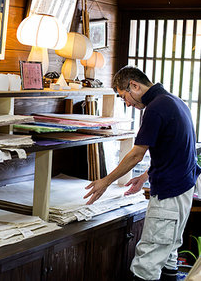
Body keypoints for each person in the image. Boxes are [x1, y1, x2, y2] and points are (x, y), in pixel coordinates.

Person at [84, 66, 200, 281]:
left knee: (146, 262)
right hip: (183, 188)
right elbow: (175, 149)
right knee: (168, 254)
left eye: (124, 96)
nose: (127, 103)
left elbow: (136, 154)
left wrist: (105, 182)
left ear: (134, 85)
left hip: (169, 195)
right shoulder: (174, 101)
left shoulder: (155, 108)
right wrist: (146, 175)